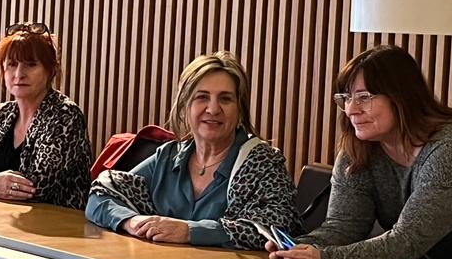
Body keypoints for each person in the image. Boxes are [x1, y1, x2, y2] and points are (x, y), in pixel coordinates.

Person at [270, 45, 452, 259]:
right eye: (347, 98)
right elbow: (344, 227)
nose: (351, 109)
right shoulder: (359, 149)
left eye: (364, 97)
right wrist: (297, 249)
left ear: (401, 97)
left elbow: (406, 241)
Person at [86, 52, 299, 248]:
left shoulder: (263, 163)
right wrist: (131, 221)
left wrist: (188, 231)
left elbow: (274, 228)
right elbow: (101, 195)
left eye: (225, 99)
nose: (213, 109)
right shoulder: (168, 157)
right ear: (185, 105)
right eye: (202, 97)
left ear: (240, 109)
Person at [0, 22, 92, 209]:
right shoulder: (3, 113)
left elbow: (34, 188)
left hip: (56, 221)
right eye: (12, 65)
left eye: (31, 65)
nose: (19, 74)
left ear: (50, 70)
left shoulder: (65, 115)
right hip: (0, 215)